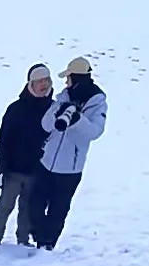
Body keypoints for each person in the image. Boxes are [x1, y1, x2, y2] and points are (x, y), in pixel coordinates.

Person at [29, 57, 107, 252]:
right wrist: (57, 112)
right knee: (34, 204)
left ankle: (47, 246)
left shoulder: (97, 103)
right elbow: (46, 125)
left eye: (69, 77)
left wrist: (77, 119)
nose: (66, 82)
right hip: (46, 162)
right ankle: (39, 237)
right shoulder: (63, 97)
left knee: (58, 211)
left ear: (77, 78)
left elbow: (94, 132)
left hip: (70, 169)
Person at [0, 63, 54, 248]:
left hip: (38, 171)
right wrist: (1, 169)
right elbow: (4, 141)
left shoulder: (53, 109)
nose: (43, 85)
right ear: (30, 84)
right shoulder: (16, 109)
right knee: (5, 207)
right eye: (39, 81)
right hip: (14, 171)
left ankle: (23, 241)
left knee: (27, 209)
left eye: (46, 80)